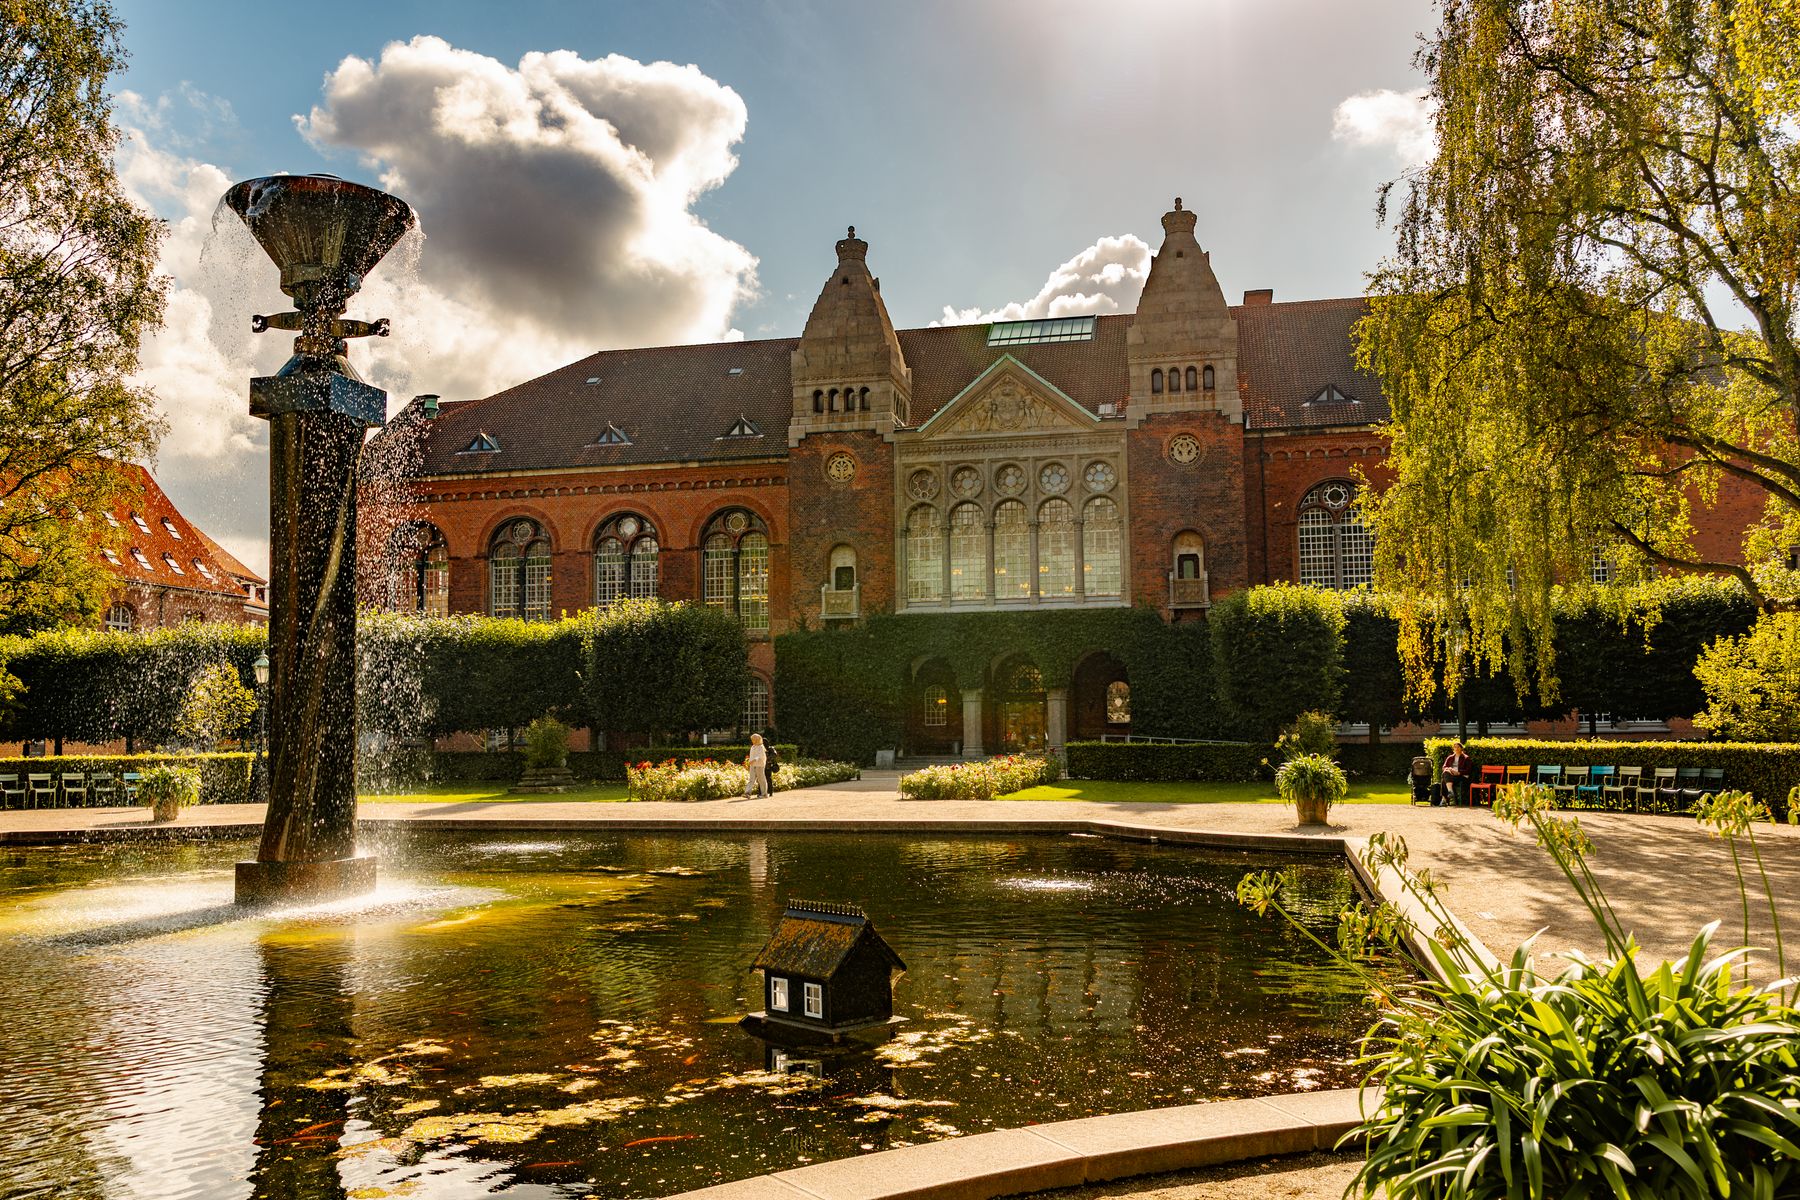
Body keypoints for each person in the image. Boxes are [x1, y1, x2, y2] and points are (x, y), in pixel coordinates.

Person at [1440, 741, 1472, 807]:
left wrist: (1458, 772)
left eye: (1458, 747)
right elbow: (1444, 767)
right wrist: (1450, 769)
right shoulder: (1450, 757)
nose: (1456, 748)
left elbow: (1468, 770)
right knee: (1446, 773)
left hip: (1461, 776)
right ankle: (1450, 791)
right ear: (1453, 749)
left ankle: (1444, 799)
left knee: (1444, 779)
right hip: (1451, 775)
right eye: (1455, 747)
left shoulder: (1466, 758)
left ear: (1461, 748)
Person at [745, 733, 768, 798]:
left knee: (761, 780)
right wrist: (750, 761)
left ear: (756, 740)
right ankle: (747, 793)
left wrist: (754, 760)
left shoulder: (761, 747)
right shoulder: (752, 747)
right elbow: (751, 756)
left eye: (753, 739)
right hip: (752, 765)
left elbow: (761, 756)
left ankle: (764, 794)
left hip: (759, 765)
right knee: (751, 779)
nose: (752, 741)